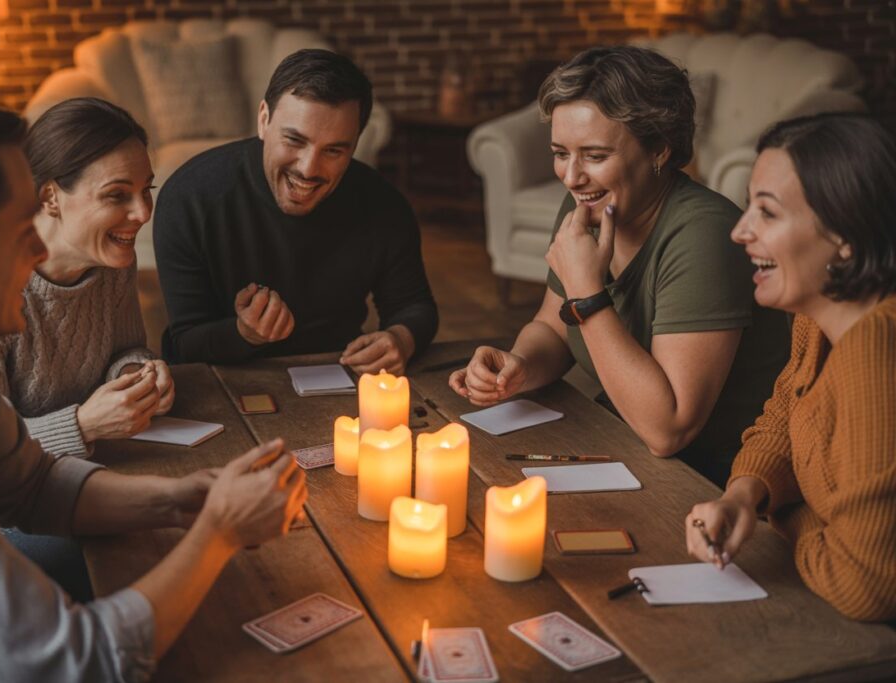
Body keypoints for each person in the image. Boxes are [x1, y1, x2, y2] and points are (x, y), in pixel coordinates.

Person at [0, 90, 307, 681]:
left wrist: (183, 499)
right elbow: (79, 662)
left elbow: (31, 483)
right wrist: (218, 531)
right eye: (18, 225)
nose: (36, 244)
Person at [449, 46, 790, 486]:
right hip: (621, 439)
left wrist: (588, 292)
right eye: (560, 153)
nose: (572, 177)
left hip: (719, 478)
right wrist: (518, 367)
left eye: (594, 155)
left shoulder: (704, 234)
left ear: (659, 149)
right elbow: (553, 328)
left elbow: (670, 430)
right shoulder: (589, 206)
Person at [684, 113, 896, 621]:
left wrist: (783, 515)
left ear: (845, 235)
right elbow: (786, 420)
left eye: (768, 213)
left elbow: (865, 585)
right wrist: (743, 495)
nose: (740, 231)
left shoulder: (875, 348)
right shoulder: (818, 316)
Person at [154, 49, 438, 376]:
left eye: (334, 150)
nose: (308, 168)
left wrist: (400, 338)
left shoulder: (384, 203)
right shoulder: (189, 198)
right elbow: (187, 341)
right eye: (294, 140)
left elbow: (414, 305)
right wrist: (244, 333)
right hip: (219, 377)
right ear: (263, 120)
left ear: (355, 145)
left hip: (334, 371)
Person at [0, 97, 173, 461]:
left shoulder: (113, 260)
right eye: (117, 194)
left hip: (83, 473)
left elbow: (124, 349)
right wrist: (83, 425)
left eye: (147, 189)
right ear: (50, 197)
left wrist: (135, 375)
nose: (143, 213)